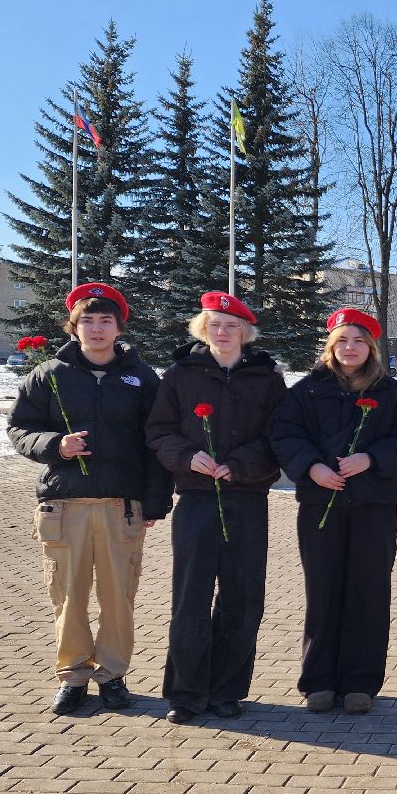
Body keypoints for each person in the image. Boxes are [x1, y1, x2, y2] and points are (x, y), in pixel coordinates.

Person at [6, 282, 173, 715]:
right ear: (74, 326)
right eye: (87, 321)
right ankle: (73, 676)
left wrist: (154, 502)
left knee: (119, 597)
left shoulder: (141, 378)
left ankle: (113, 675)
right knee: (68, 594)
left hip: (121, 506)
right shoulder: (48, 375)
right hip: (64, 506)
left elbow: (156, 441)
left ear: (119, 327)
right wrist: (55, 445)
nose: (96, 329)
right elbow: (19, 429)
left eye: (105, 321)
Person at [269, 308, 397, 714]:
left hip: (372, 506)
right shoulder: (307, 390)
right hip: (321, 504)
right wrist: (311, 467)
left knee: (368, 591)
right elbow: (285, 433)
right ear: (330, 346)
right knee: (323, 590)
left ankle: (361, 683)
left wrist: (371, 459)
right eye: (342, 341)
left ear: (370, 347)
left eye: (358, 341)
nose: (349, 348)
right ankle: (318, 680)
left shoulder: (391, 392)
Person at [145, 292, 285, 725]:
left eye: (231, 325)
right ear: (202, 330)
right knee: (190, 597)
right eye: (215, 325)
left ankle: (228, 689)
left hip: (246, 498)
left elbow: (277, 437)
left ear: (246, 332)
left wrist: (240, 466)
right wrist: (187, 457)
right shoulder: (180, 375)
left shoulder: (267, 379)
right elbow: (158, 431)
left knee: (242, 598)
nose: (222, 333)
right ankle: (185, 692)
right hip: (197, 500)